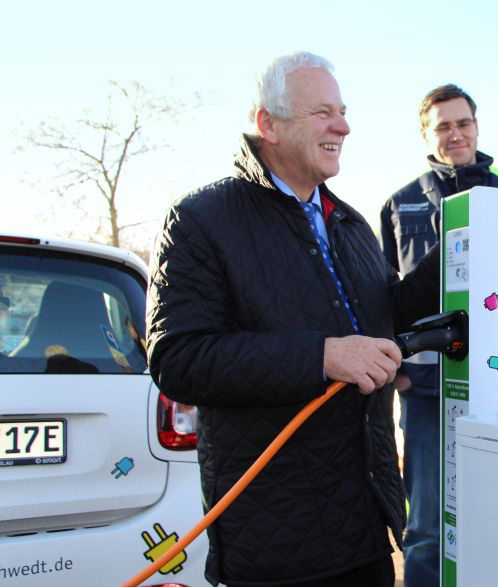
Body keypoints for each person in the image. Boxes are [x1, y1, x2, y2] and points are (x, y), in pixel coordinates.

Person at [146, 51, 440, 587]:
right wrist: (323, 356)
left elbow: (386, 312)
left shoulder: (349, 223)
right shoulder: (200, 219)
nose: (343, 127)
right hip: (276, 540)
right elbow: (178, 359)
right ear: (269, 124)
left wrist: (457, 251)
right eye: (323, 112)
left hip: (364, 523)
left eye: (343, 112)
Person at [379, 84, 498, 586]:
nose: (455, 134)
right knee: (427, 527)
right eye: (442, 126)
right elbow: (381, 298)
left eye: (463, 123)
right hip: (426, 392)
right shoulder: (400, 204)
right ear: (426, 134)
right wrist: (399, 372)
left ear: (477, 126)